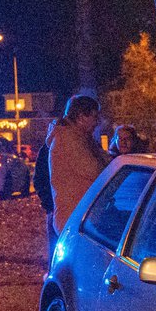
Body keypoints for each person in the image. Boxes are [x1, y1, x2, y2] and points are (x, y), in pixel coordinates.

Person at [46, 94, 106, 235]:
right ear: (81, 117)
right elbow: (96, 171)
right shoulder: (69, 140)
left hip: (80, 216)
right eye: (94, 117)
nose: (97, 122)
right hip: (77, 218)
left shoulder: (80, 138)